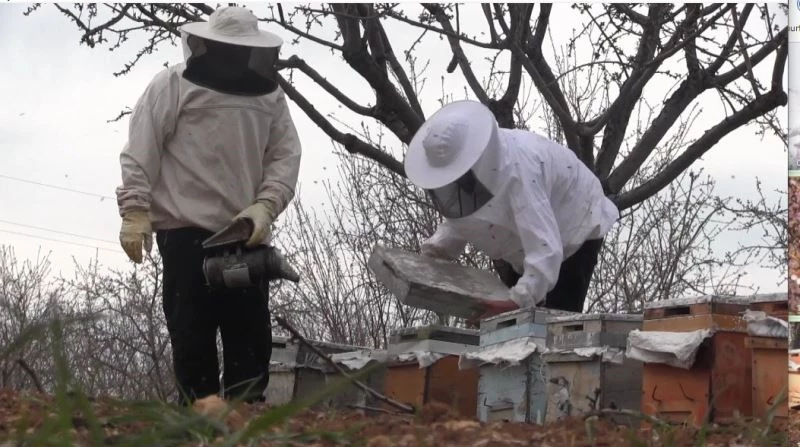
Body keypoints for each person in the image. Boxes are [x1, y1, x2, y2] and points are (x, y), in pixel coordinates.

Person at [115, 6, 301, 404]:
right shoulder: (172, 84)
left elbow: (285, 157)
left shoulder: (270, 96)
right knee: (191, 340)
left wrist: (266, 205)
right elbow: (141, 150)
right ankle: (198, 422)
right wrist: (135, 209)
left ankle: (243, 423)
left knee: (249, 346)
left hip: (245, 236)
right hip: (185, 234)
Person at [405, 100, 618, 319]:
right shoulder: (476, 172)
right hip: (527, 245)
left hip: (576, 224)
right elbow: (462, 217)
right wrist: (436, 251)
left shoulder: (522, 174)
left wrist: (515, 302)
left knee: (555, 323)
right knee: (509, 323)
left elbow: (545, 248)